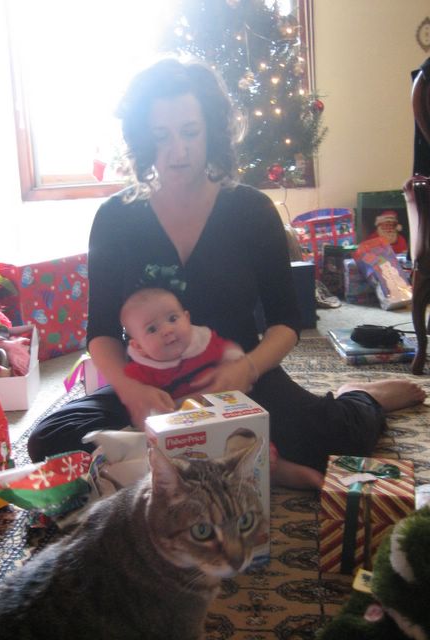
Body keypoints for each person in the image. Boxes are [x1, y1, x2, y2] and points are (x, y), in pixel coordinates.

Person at [27, 56, 425, 482]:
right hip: (152, 381)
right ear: (143, 138)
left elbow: (286, 322)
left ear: (211, 131)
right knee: (50, 440)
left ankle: (360, 397)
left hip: (240, 377)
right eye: (161, 136)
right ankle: (235, 458)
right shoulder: (115, 218)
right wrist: (132, 390)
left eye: (190, 132)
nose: (177, 151)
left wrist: (246, 369)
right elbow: (102, 332)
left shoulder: (252, 210)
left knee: (336, 439)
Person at [120, 286, 324, 488]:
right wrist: (145, 402)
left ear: (187, 318)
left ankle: (277, 471)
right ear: (138, 346)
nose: (167, 330)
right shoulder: (143, 370)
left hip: (223, 418)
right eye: (152, 329)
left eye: (173, 319)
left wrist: (237, 365)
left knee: (248, 444)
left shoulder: (203, 343)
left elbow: (230, 353)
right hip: (178, 434)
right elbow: (137, 400)